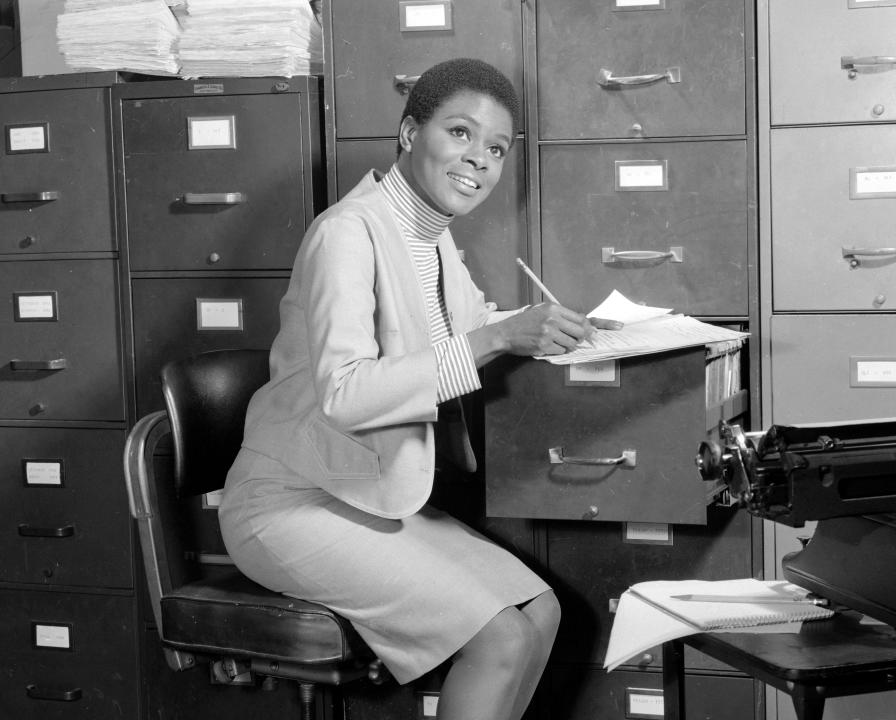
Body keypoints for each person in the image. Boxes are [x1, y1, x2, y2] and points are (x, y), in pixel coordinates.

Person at [218, 57, 620, 720]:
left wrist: (555, 330)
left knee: (539, 611)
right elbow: (346, 392)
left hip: (365, 494)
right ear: (410, 134)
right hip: (288, 505)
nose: (479, 161)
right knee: (499, 635)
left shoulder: (431, 237)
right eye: (460, 134)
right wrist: (497, 340)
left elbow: (461, 326)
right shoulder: (347, 235)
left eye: (495, 148)